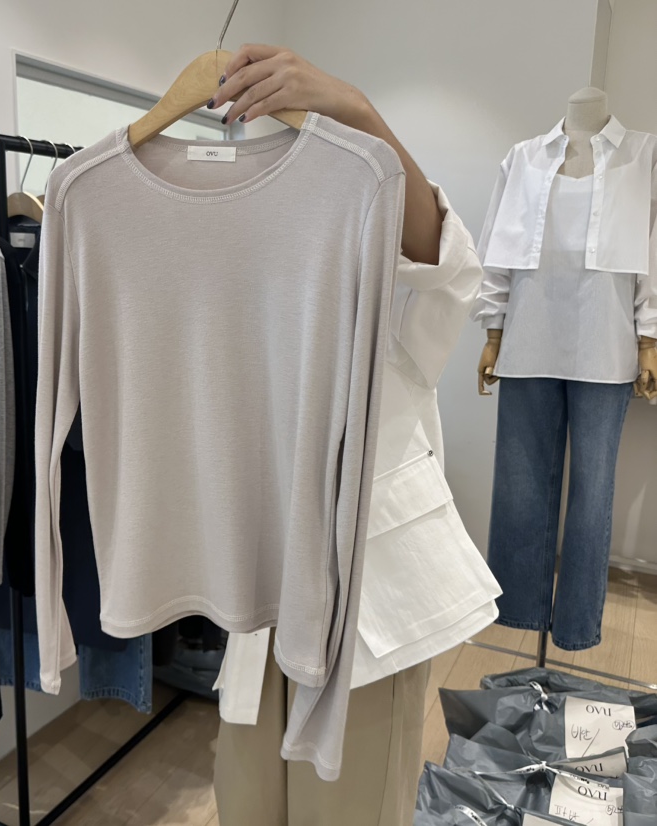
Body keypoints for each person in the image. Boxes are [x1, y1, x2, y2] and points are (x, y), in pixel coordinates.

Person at [209, 44, 502, 826]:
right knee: (245, 803)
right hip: (256, 597)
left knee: (349, 811)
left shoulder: (365, 224)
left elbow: (447, 269)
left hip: (366, 601)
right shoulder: (206, 248)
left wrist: (360, 113)